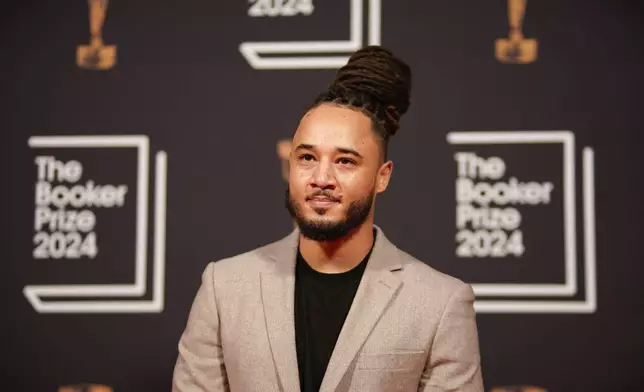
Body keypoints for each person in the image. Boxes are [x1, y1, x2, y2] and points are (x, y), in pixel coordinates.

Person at [172, 46, 484, 392]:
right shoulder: (224, 287)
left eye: (345, 161)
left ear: (383, 176)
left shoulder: (440, 303)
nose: (321, 178)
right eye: (307, 157)